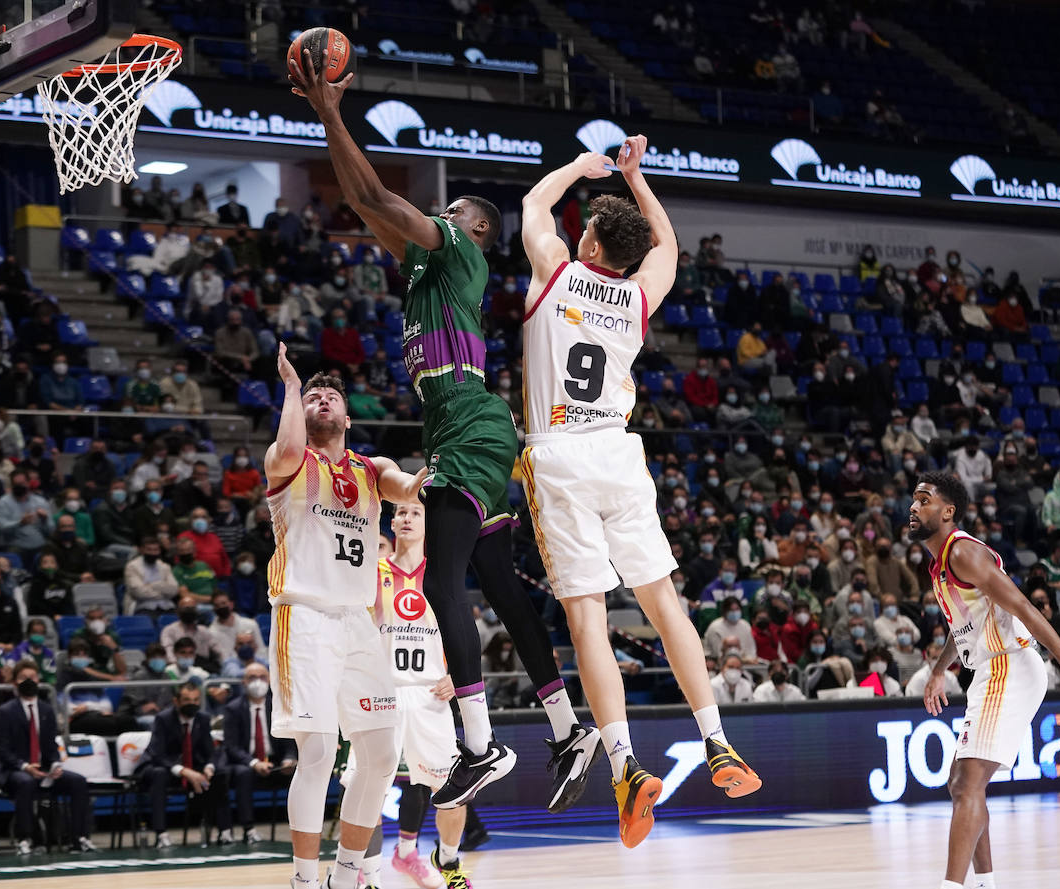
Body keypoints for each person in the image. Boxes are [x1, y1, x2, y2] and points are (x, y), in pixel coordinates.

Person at [290, 53, 588, 821]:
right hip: (465, 427)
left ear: (474, 229)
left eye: (451, 210)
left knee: (441, 582)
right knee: (497, 582)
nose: (438, 216)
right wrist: (327, 118)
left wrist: (329, 109)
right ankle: (567, 730)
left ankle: (482, 744)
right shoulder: (423, 271)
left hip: (471, 428)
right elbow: (363, 205)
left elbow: (376, 193)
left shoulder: (458, 252)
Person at [517, 139, 760, 847]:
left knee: (589, 618)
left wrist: (579, 168)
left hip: (560, 452)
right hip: (619, 453)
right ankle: (716, 739)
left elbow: (533, 205)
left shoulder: (556, 270)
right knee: (664, 602)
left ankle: (625, 764)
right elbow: (671, 245)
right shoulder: (637, 293)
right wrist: (635, 176)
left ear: (586, 237)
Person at [260, 345, 427, 889]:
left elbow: (409, 488)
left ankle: (348, 873)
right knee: (320, 752)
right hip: (303, 615)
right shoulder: (289, 462)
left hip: (358, 621)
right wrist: (291, 386)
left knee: (382, 751)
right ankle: (305, 880)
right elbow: (287, 445)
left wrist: (445, 463)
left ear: (348, 417)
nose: (322, 399)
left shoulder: (371, 469)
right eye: (314, 396)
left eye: (331, 395)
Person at [910, 471, 1060, 889]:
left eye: (923, 500)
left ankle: (955, 886)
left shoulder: (962, 552)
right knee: (962, 784)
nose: (913, 506)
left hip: (1009, 663)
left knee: (966, 783)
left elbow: (1021, 603)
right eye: (913, 500)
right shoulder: (940, 564)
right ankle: (985, 883)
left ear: (948, 511)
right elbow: (961, 626)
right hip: (990, 668)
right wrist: (940, 669)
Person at [363, 500, 474, 887]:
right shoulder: (372, 571)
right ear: (391, 523)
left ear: (431, 524)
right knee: (368, 789)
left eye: (415, 513)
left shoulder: (443, 574)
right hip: (382, 693)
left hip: (431, 695)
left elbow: (463, 632)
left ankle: (447, 861)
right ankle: (368, 875)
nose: (406, 518)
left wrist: (460, 675)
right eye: (400, 513)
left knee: (453, 790)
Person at [0, 661, 96, 854]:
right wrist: (24, 766)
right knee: (25, 782)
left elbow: (51, 745)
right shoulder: (5, 711)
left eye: (32, 677)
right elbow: (2, 750)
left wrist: (55, 764)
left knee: (78, 782)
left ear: (39, 681)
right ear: (15, 682)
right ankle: (26, 839)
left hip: (44, 768)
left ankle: (79, 838)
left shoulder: (46, 710)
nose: (28, 681)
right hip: (15, 769)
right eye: (23, 678)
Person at [140, 681, 230, 848]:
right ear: (176, 701)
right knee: (159, 774)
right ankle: (161, 834)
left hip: (191, 770)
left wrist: (208, 768)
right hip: (163, 767)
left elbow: (210, 752)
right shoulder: (163, 719)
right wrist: (184, 771)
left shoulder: (202, 718)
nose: (192, 704)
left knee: (219, 774)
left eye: (196, 700)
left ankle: (225, 832)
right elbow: (157, 754)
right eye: (187, 700)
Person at [222, 661, 296, 844]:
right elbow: (231, 747)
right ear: (244, 682)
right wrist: (254, 763)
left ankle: (303, 827)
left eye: (262, 677)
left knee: (301, 772)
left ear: (270, 680)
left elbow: (288, 739)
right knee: (242, 774)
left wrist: (289, 759)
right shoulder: (233, 709)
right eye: (252, 678)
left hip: (276, 764)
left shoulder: (279, 707)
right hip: (247, 764)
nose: (258, 682)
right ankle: (249, 829)